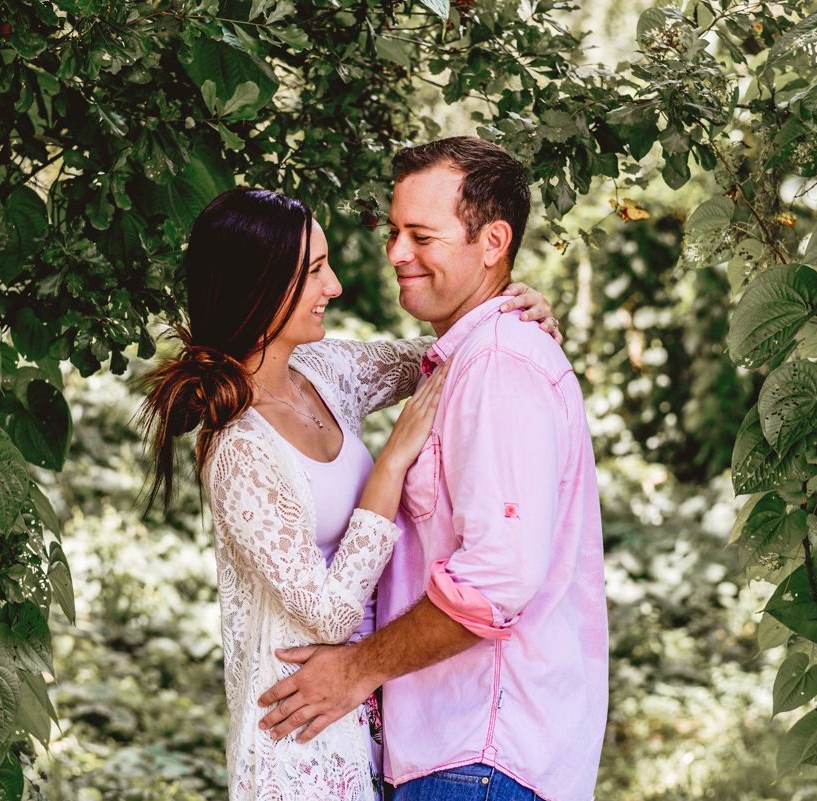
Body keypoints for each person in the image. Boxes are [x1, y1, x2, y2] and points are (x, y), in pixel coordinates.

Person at [135, 187, 562, 801]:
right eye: (313, 272)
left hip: (370, 720)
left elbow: (448, 357)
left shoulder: (328, 373)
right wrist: (389, 466)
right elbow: (330, 614)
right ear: (260, 287)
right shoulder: (239, 452)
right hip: (298, 741)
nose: (333, 285)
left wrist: (516, 307)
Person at [257, 138, 608, 801]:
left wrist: (357, 668)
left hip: (480, 757)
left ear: (492, 240)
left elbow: (496, 578)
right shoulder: (475, 354)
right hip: (456, 757)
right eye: (395, 231)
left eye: (421, 234)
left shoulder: (500, 364)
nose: (394, 252)